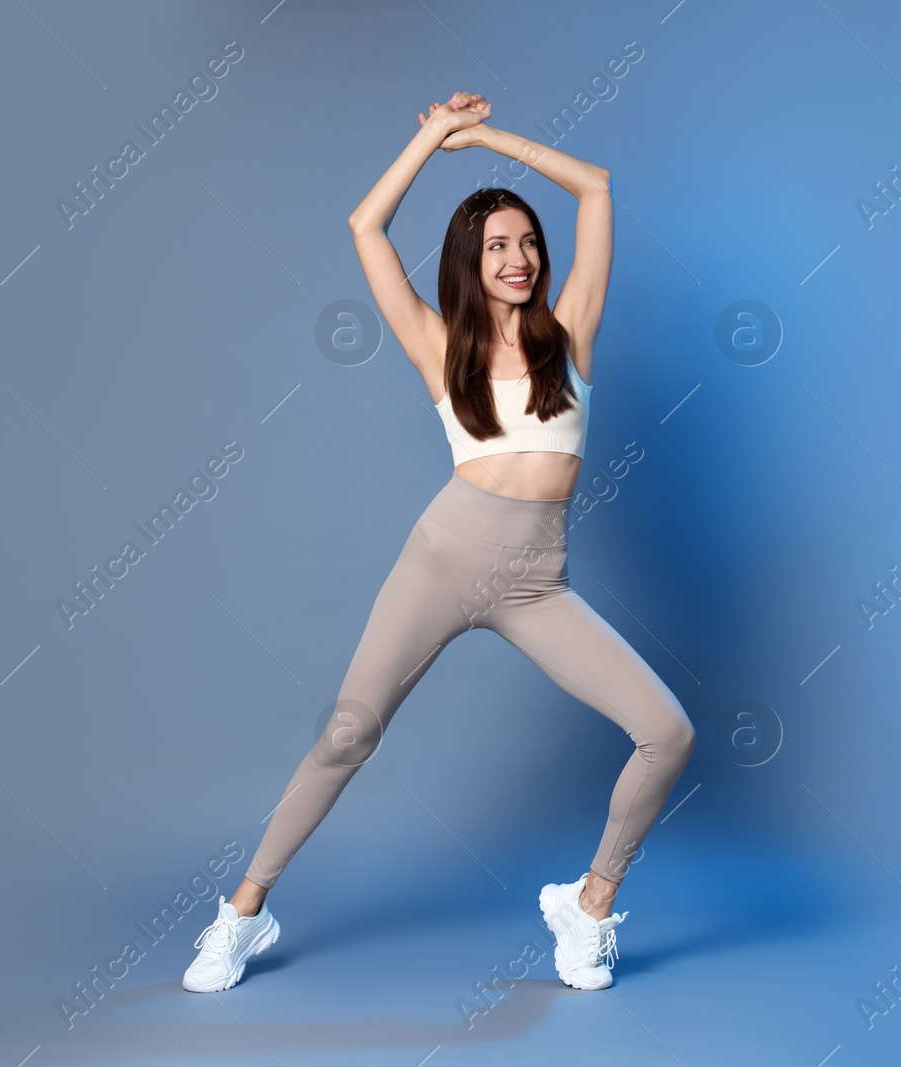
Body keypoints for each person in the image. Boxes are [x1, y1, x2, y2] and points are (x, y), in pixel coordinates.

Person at [183, 91, 695, 995]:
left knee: (667, 730)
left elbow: (598, 187)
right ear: (470, 259)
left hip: (536, 581)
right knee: (348, 735)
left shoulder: (572, 332)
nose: (520, 257)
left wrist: (490, 138)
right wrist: (431, 138)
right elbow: (365, 225)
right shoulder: (438, 343)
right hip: (444, 556)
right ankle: (239, 916)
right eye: (497, 244)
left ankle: (590, 903)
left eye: (528, 241)